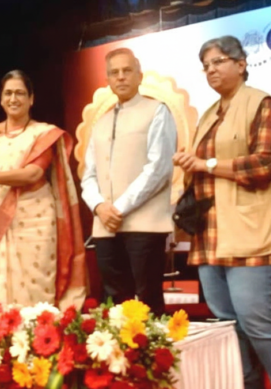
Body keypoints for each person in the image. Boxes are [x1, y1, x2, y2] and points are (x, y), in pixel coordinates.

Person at [173, 36, 271, 389]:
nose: (211, 70)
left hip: (253, 233)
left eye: (218, 62)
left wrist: (207, 163)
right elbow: (200, 169)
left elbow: (264, 165)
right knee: (229, 325)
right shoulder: (209, 113)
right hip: (211, 235)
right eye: (206, 65)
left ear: (241, 64)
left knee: (260, 324)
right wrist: (189, 166)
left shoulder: (261, 103)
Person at [0, 70, 86, 310]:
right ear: (1, 99)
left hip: (33, 219)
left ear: (31, 99)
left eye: (20, 93)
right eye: (8, 93)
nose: (14, 99)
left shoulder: (43, 133)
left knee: (35, 283)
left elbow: (33, 174)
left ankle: (38, 336)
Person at [80, 48, 177, 316]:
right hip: (105, 226)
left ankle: (153, 358)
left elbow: (158, 168)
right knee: (114, 304)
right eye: (114, 72)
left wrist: (118, 208)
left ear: (139, 75)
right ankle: (121, 359)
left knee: (147, 303)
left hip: (144, 224)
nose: (121, 77)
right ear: (108, 80)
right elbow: (88, 175)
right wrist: (99, 206)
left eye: (127, 71)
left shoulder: (157, 111)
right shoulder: (100, 123)